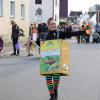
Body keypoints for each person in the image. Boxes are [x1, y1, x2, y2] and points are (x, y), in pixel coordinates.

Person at [40, 18, 67, 100]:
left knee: (56, 78)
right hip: (47, 60)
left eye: (54, 23)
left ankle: (55, 90)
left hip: (57, 60)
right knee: (48, 78)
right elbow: (40, 44)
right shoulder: (44, 35)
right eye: (51, 24)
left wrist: (84, 32)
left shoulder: (59, 34)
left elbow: (71, 33)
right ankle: (52, 96)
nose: (53, 25)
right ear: (48, 25)